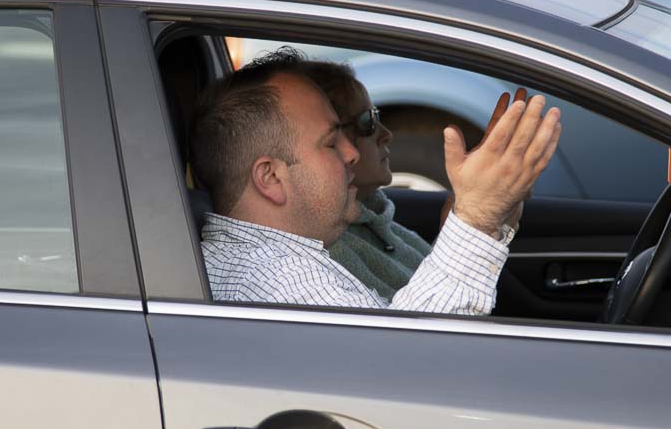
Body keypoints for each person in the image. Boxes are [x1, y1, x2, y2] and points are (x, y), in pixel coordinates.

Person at [189, 48, 560, 314]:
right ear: (270, 177)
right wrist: (476, 217)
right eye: (331, 142)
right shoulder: (278, 280)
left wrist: (487, 216)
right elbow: (405, 365)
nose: (351, 153)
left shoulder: (277, 259)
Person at [303, 59, 521, 301]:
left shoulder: (375, 217)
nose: (386, 134)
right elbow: (412, 330)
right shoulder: (326, 255)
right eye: (367, 122)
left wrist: (479, 223)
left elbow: (424, 292)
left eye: (376, 116)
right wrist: (474, 223)